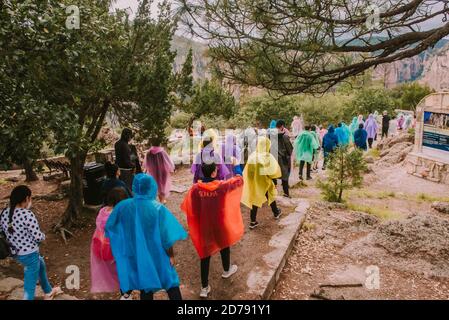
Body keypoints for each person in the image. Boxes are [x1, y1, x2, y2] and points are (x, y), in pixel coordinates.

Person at [105, 174, 188, 300]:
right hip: (157, 253)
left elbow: (110, 227)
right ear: (151, 187)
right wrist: (170, 255)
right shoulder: (158, 208)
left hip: (137, 254)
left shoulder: (123, 206)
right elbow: (166, 236)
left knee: (146, 285)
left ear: (134, 188)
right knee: (171, 283)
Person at [181, 162, 243, 298]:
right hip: (220, 223)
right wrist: (237, 168)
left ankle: (204, 287)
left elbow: (190, 207)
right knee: (224, 245)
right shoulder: (221, 186)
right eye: (216, 169)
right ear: (214, 173)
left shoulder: (196, 188)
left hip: (204, 225)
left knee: (205, 255)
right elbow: (238, 181)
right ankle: (227, 270)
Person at [0, 186, 62, 300]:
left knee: (41, 265)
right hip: (29, 254)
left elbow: (1, 230)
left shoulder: (4, 212)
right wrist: (44, 236)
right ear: (27, 198)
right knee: (30, 284)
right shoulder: (27, 215)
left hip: (14, 252)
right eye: (30, 198)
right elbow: (37, 236)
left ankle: (48, 292)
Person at [90, 188, 129, 295]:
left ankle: (122, 291)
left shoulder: (103, 211)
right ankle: (125, 294)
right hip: (116, 249)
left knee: (113, 271)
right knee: (123, 271)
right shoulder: (119, 214)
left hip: (104, 248)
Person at [241, 137, 282, 230]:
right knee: (270, 196)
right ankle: (276, 212)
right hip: (265, 182)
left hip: (255, 183)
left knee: (255, 200)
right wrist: (274, 181)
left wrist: (252, 181)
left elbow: (249, 172)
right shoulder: (267, 156)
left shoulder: (252, 156)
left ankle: (253, 221)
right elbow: (272, 172)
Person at [272, 120, 293, 197]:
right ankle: (286, 193)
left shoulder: (270, 136)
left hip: (273, 159)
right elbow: (290, 150)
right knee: (285, 176)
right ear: (282, 126)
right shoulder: (285, 137)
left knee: (273, 176)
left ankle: (273, 192)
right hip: (283, 160)